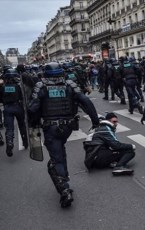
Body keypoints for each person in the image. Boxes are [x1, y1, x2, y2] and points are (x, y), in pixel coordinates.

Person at [28, 62, 99, 208]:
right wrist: (95, 121)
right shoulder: (70, 84)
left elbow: (33, 108)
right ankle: (65, 178)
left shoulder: (41, 86)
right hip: (68, 127)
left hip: (51, 128)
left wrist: (34, 125)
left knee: (55, 160)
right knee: (61, 150)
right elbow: (86, 101)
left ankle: (64, 190)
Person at [0, 68, 28, 156]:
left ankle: (10, 143)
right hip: (18, 107)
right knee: (22, 125)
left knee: (9, 128)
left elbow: (0, 99)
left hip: (7, 108)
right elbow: (22, 97)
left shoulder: (3, 87)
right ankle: (25, 141)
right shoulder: (18, 86)